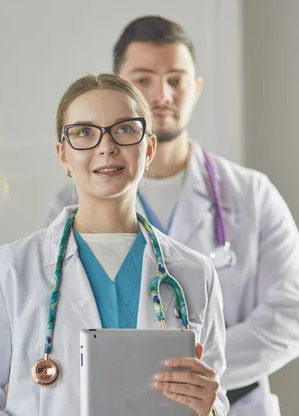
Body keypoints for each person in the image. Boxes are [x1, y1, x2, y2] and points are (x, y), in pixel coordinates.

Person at [43, 16, 299, 415]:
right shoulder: (71, 200)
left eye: (176, 80)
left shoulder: (252, 194)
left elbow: (289, 314)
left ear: (195, 88)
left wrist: (190, 376)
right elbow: (56, 309)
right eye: (143, 80)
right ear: (120, 88)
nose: (161, 94)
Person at [0, 73, 228, 416]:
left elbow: (214, 396)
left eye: (124, 129)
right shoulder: (7, 271)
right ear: (63, 155)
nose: (106, 146)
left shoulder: (194, 273)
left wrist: (209, 408)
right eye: (84, 133)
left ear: (148, 148)